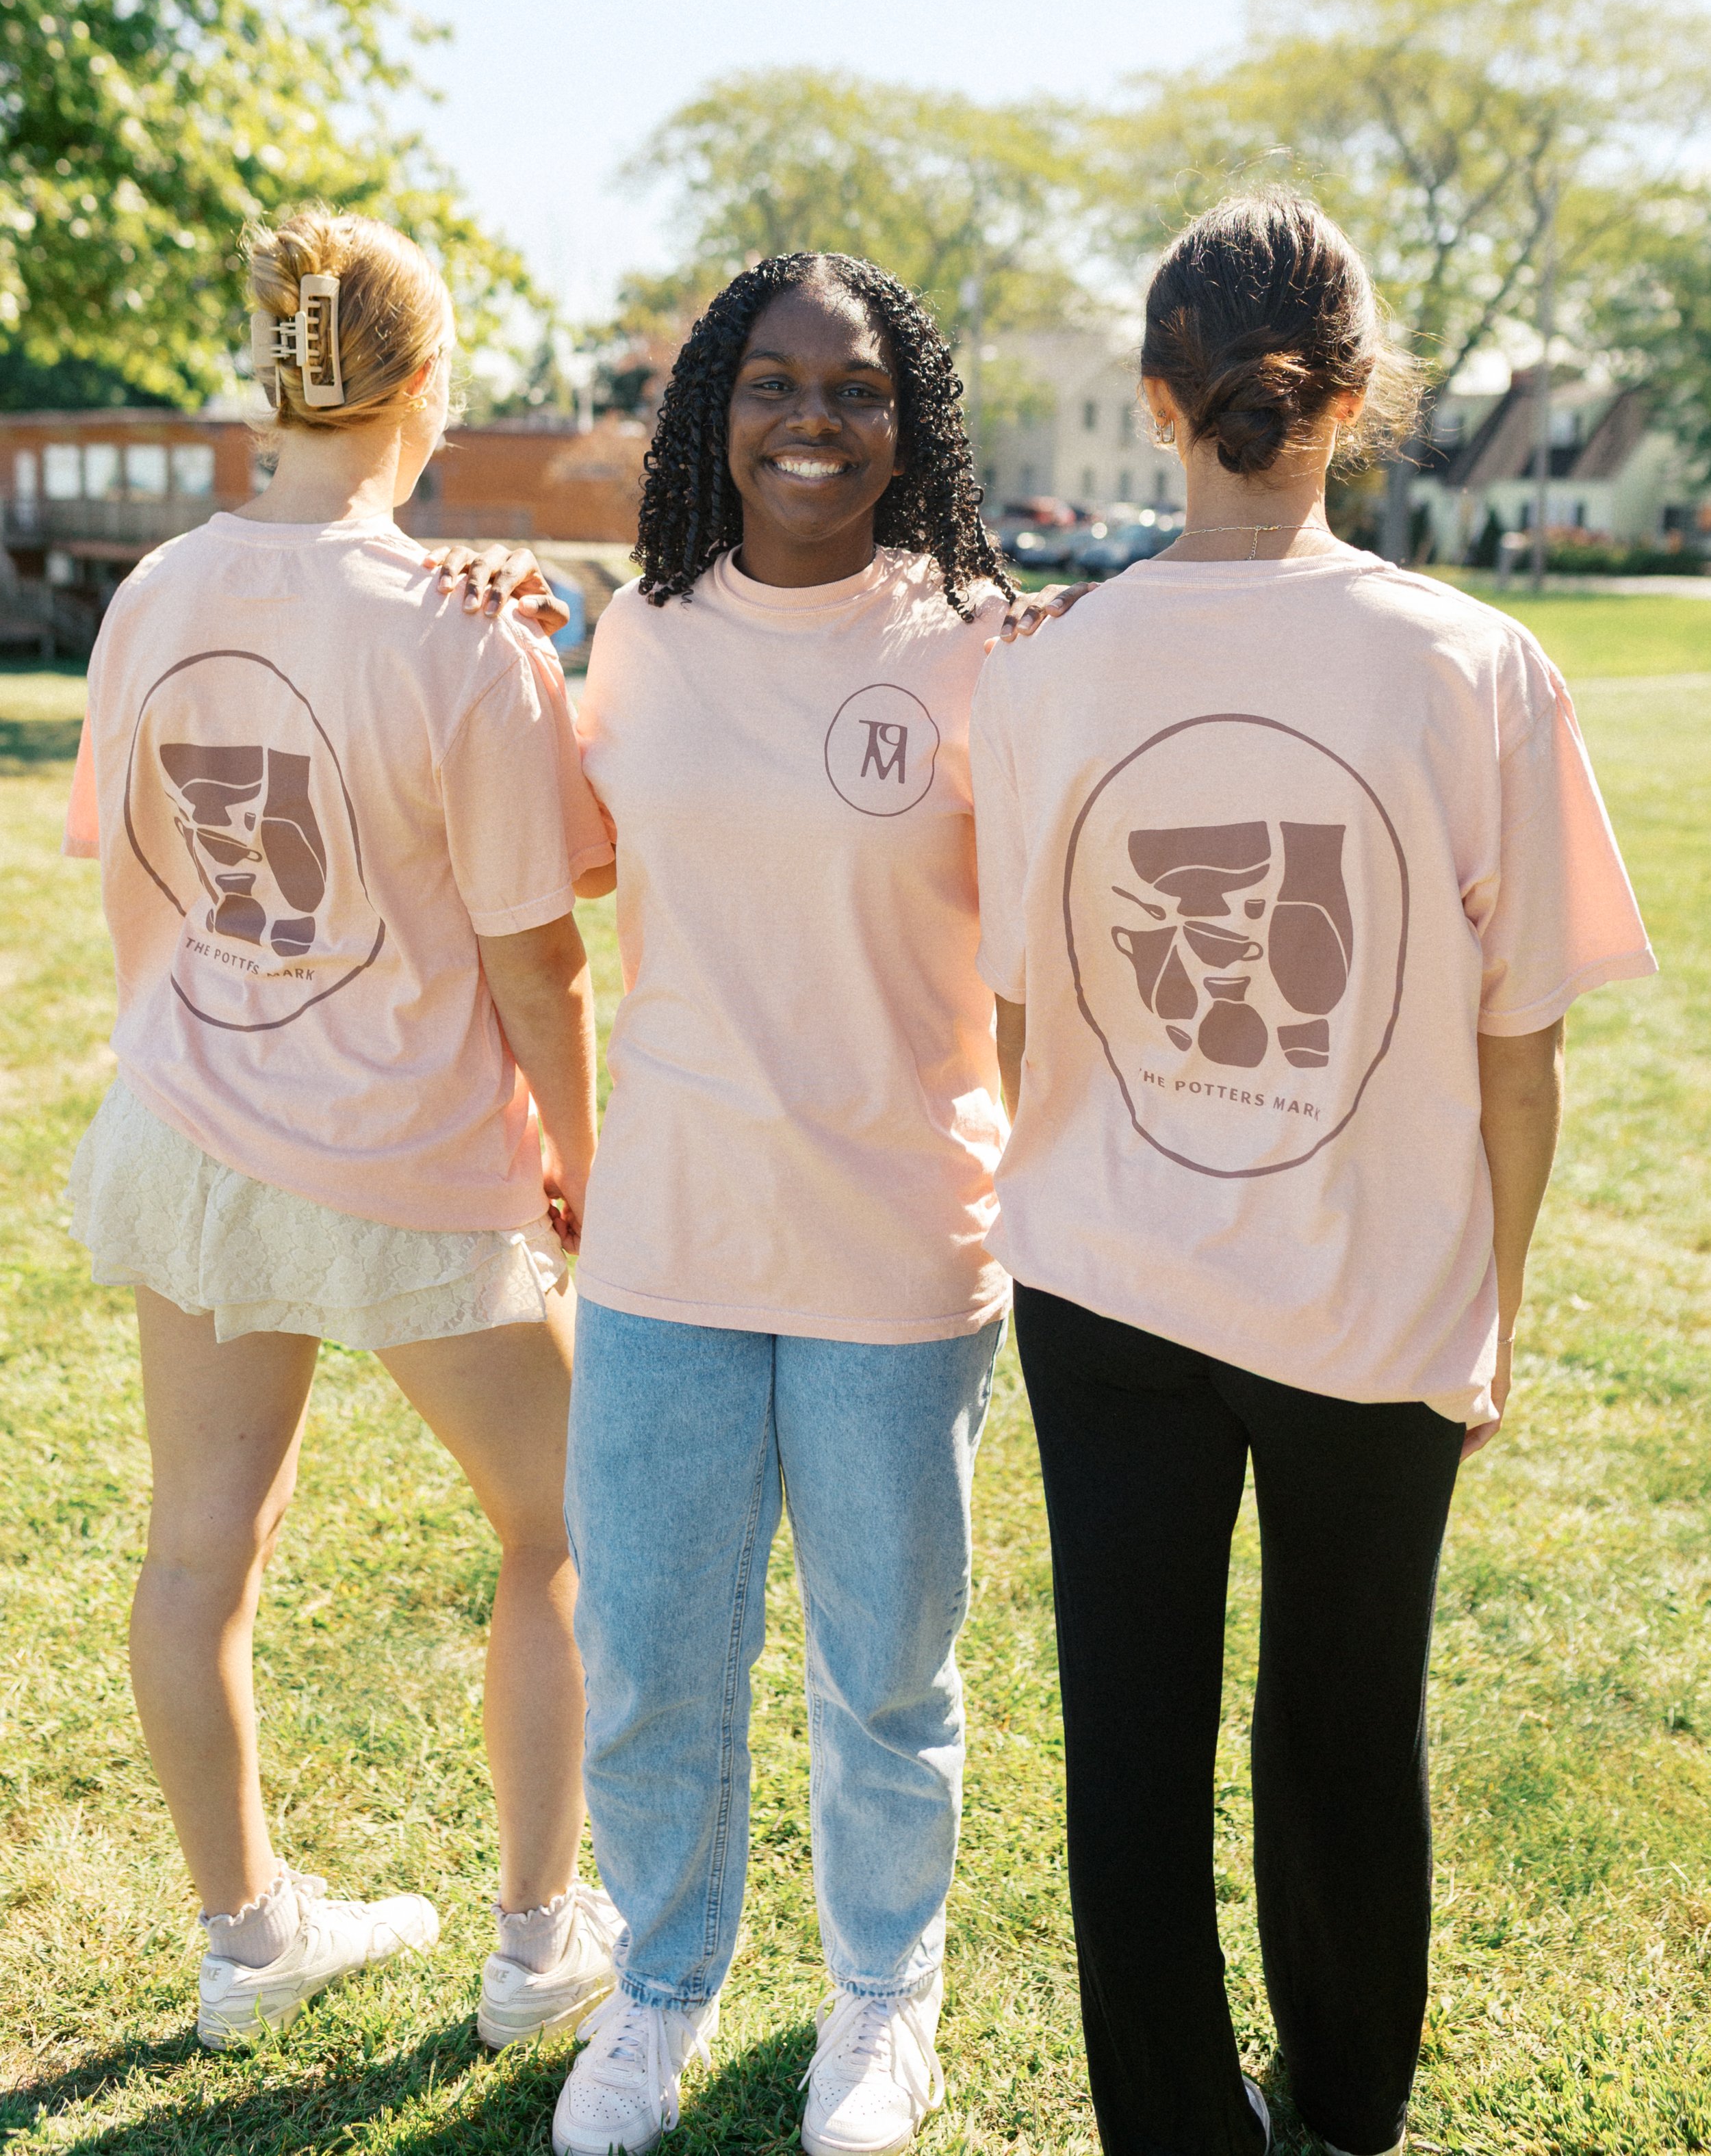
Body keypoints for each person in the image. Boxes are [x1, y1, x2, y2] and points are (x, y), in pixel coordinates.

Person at [968, 190, 1657, 2156]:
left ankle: (1178, 2133)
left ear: (1152, 399)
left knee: (1129, 1743)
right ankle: (1344, 2116)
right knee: (1347, 1725)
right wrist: (1496, 1308)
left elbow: (1026, 1012)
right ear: (1361, 397)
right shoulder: (1476, 662)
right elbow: (1513, 1061)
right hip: (1375, 1288)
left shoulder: (1032, 672)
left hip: (1100, 1278)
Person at [444, 251, 1058, 2156]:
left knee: (885, 1671)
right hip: (670, 1242)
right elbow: (567, 847)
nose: (815, 422)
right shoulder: (638, 633)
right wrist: (493, 621)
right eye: (775, 385)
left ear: (913, 418)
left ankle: (884, 1995)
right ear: (715, 407)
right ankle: (662, 1986)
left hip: (899, 1239)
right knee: (649, 1653)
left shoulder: (982, 643)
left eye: (857, 389)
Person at [64, 206, 623, 2050]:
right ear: (424, 386)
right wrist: (585, 1167)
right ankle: (542, 1944)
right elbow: (541, 964)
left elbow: (124, 861)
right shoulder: (456, 634)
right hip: (395, 1153)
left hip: (194, 1128)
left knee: (196, 1546)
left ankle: (246, 1942)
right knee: (560, 1526)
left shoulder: (152, 592)